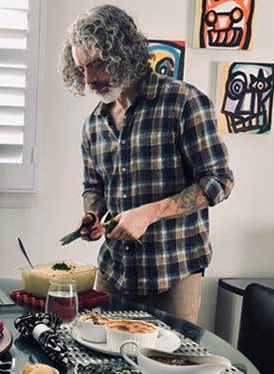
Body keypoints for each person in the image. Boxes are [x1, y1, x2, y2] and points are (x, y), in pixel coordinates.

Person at [58, 5, 234, 323]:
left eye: (96, 64)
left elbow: (219, 180)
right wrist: (93, 215)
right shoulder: (94, 124)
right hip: (114, 273)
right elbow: (94, 186)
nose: (89, 78)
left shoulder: (184, 103)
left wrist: (149, 213)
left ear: (123, 53)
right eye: (81, 68)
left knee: (170, 367)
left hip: (173, 272)